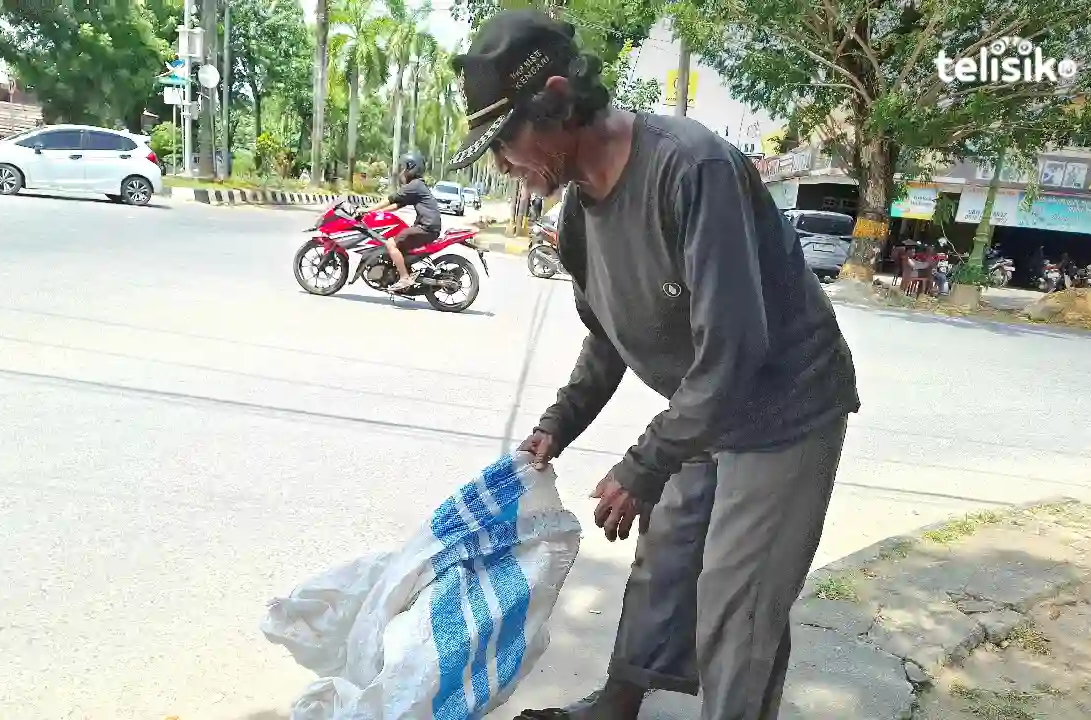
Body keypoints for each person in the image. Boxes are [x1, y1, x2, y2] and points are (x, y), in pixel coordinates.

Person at [446, 10, 860, 720]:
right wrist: (558, 425)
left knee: (738, 600)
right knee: (664, 558)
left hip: (782, 410)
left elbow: (734, 348)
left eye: (505, 142)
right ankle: (617, 704)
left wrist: (643, 465)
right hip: (708, 407)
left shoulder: (691, 168)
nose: (503, 165)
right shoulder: (578, 217)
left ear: (555, 99)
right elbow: (608, 337)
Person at [359, 151, 442, 292]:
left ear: (411, 168)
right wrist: (376, 213)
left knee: (391, 244)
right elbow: (398, 204)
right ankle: (404, 271)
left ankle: (405, 278)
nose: (401, 172)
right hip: (427, 227)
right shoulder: (417, 185)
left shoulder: (415, 185)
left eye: (403, 168)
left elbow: (391, 198)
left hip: (426, 227)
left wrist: (368, 209)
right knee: (398, 241)